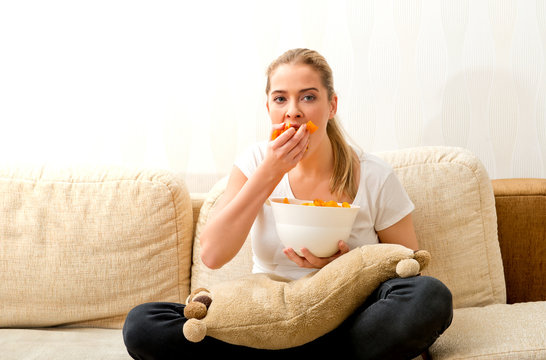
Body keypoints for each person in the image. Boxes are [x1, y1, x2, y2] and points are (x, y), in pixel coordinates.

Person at [123, 48, 453, 360]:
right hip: (264, 318)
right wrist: (269, 172)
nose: (293, 110)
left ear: (332, 105)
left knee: (429, 298)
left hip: (345, 318)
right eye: (281, 98)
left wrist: (347, 266)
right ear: (269, 109)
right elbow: (212, 254)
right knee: (143, 323)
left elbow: (410, 267)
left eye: (308, 97)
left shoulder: (373, 174)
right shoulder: (254, 163)